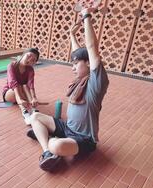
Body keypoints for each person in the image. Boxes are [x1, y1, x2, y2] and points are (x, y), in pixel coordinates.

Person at [27, 6, 109, 171]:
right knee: (34, 117)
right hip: (67, 128)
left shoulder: (96, 83)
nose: (72, 68)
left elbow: (91, 49)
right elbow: (79, 54)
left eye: (75, 64)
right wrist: (72, 34)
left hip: (84, 139)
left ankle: (50, 141)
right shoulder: (80, 80)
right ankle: (47, 152)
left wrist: (86, 16)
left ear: (88, 63)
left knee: (56, 145)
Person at [2, 48, 40, 125]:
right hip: (11, 94)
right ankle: (25, 113)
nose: (29, 60)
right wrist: (19, 99)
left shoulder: (30, 69)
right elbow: (12, 82)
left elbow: (31, 84)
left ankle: (34, 110)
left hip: (23, 95)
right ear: (23, 54)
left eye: (33, 60)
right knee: (19, 85)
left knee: (25, 86)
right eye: (28, 56)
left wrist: (34, 98)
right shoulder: (12, 65)